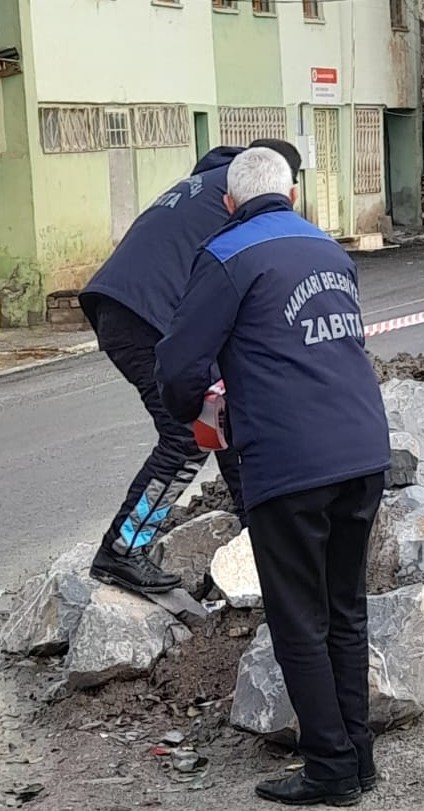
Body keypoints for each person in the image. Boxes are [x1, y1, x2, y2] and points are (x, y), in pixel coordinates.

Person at [155, 147, 391, 808]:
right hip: (363, 452)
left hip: (290, 462)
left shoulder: (227, 255)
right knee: (344, 609)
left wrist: (195, 415)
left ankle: (330, 770)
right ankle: (359, 758)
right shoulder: (329, 249)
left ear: (229, 202)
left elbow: (178, 367)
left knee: (298, 621)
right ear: (293, 197)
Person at [78, 138, 302, 596]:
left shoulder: (204, 184)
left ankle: (254, 526)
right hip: (146, 314)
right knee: (186, 434)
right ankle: (123, 549)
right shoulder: (246, 200)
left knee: (221, 415)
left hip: (125, 307)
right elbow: (258, 279)